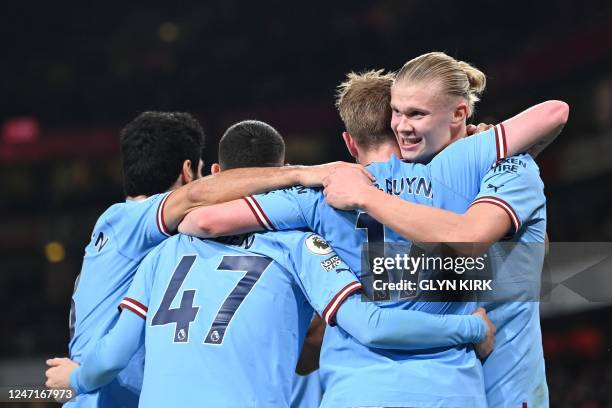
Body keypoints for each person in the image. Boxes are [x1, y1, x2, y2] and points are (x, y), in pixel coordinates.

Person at [176, 54, 568, 407]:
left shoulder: (323, 196)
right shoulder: (468, 168)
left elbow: (199, 217)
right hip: (457, 385)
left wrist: (334, 191)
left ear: (349, 142)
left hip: (495, 386)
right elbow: (528, 258)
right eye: (398, 114)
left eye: (416, 114)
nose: (405, 125)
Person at [46, 120, 494, 407]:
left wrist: (81, 377)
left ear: (219, 172)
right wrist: (471, 327)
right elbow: (371, 326)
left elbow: (113, 354)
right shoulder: (300, 246)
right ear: (277, 174)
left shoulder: (163, 252)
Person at [66, 111, 370, 407]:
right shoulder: (133, 222)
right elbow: (197, 199)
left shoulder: (167, 250)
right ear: (190, 173)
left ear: (216, 171)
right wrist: (302, 174)